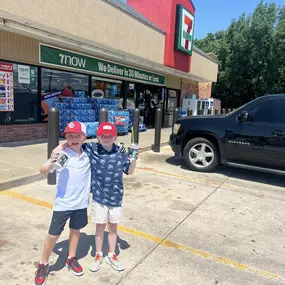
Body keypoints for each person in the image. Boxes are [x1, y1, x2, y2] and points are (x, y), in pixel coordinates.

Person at [34, 121, 91, 285]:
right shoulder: (60, 153)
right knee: (53, 235)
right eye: (70, 135)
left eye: (77, 135)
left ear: (84, 137)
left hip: (80, 204)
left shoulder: (88, 154)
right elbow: (43, 170)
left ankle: (71, 258)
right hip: (63, 204)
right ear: (65, 137)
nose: (74, 139)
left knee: (75, 231)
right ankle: (43, 263)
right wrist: (52, 161)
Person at [86, 122, 137, 272]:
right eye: (103, 135)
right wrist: (57, 150)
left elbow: (130, 171)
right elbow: (73, 143)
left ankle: (111, 254)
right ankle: (98, 254)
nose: (106, 138)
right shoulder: (92, 148)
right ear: (97, 137)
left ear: (115, 136)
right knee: (100, 227)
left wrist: (133, 158)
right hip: (99, 198)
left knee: (113, 228)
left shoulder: (122, 151)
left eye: (109, 135)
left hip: (115, 197)